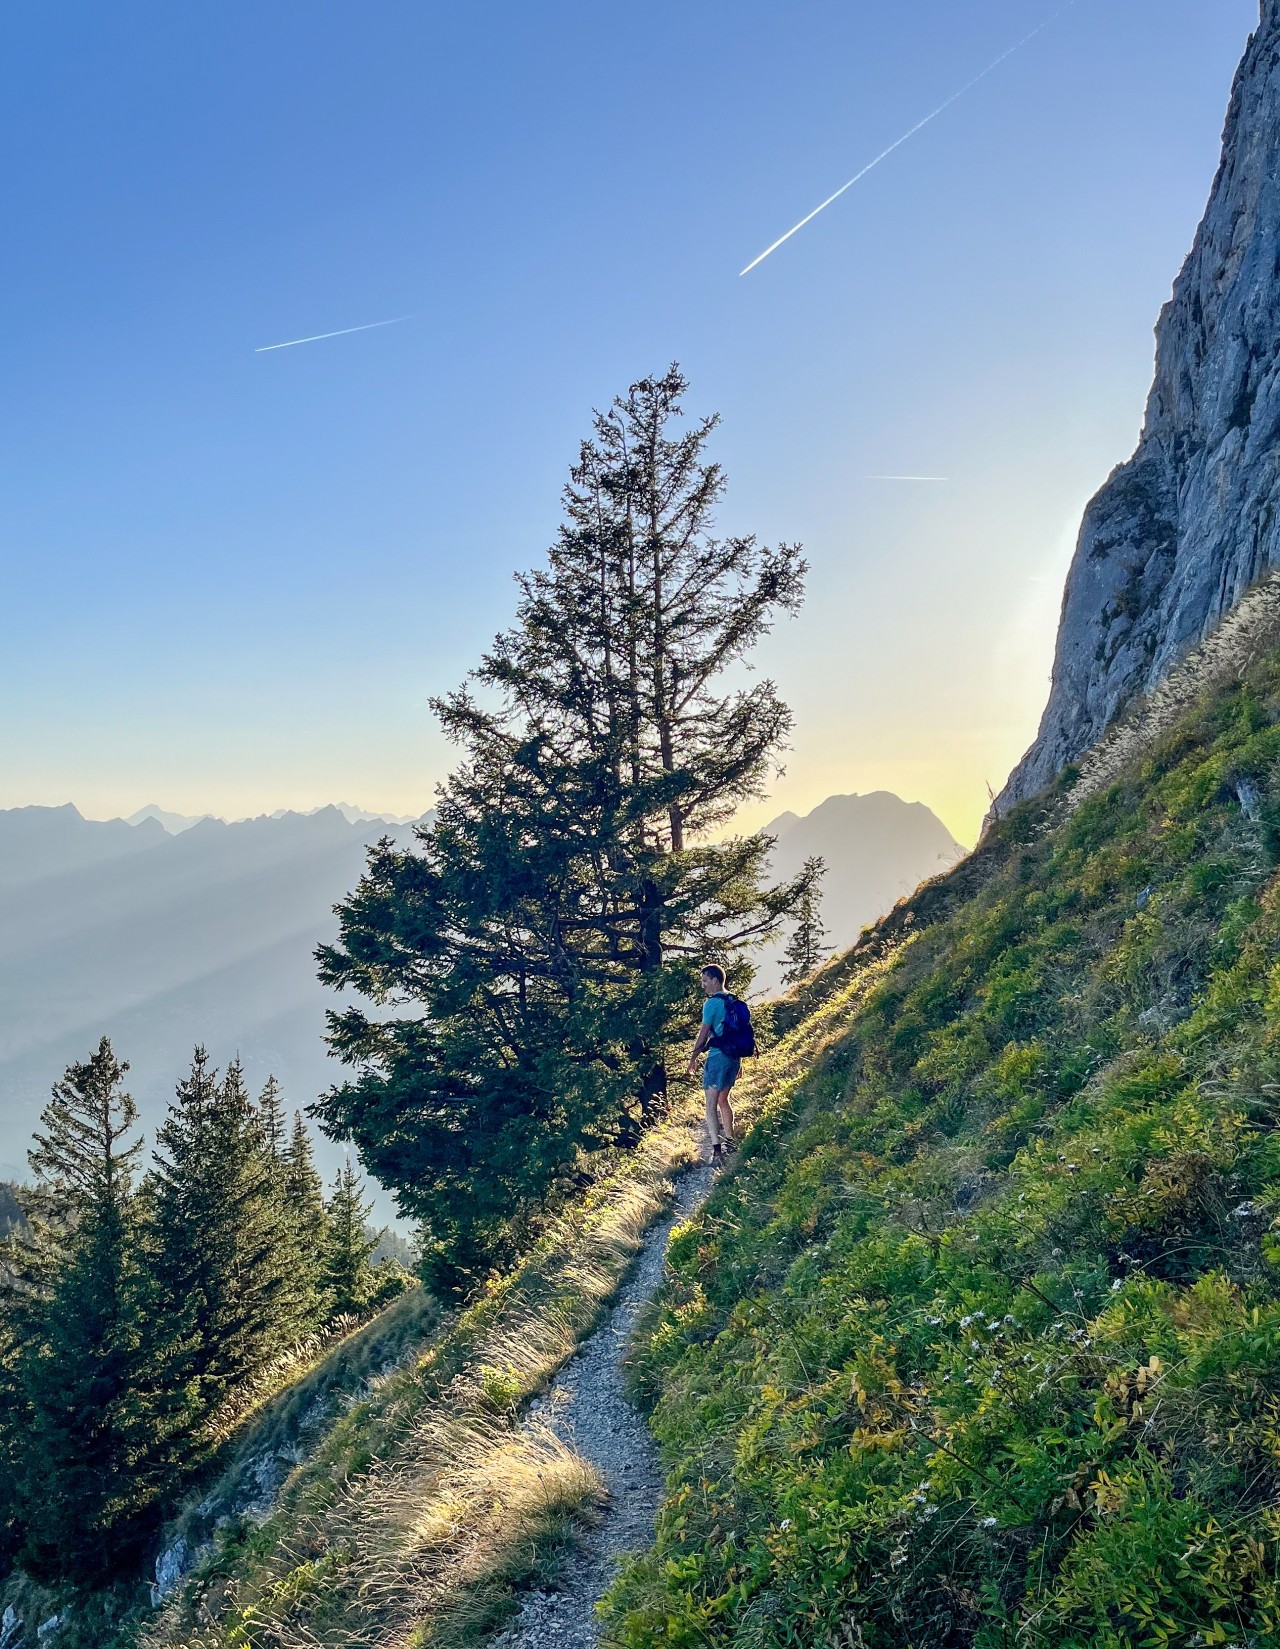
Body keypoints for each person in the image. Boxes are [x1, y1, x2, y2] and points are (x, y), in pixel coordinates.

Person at [686, 963, 740, 1164]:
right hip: (734, 1057)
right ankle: (731, 1142)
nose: (703, 985)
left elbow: (703, 1034)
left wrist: (693, 1058)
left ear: (715, 980)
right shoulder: (734, 1000)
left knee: (710, 1104)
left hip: (717, 1057)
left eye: (705, 980)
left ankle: (717, 1151)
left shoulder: (711, 1004)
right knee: (723, 1100)